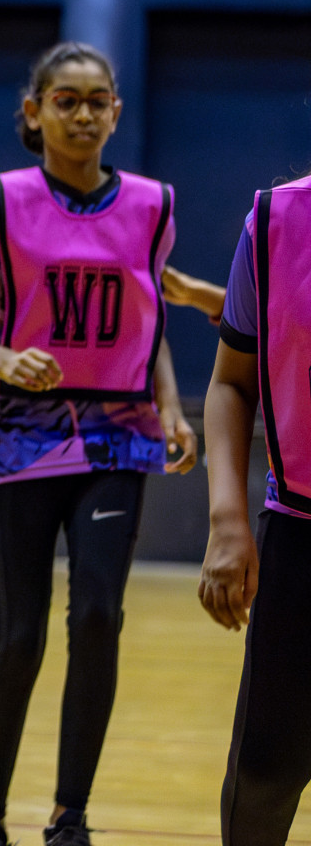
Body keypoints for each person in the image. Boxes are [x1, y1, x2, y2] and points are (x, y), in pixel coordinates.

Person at [0, 42, 219, 846]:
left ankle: (70, 816)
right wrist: (2, 359)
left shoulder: (152, 205)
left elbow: (147, 322)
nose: (83, 114)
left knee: (96, 616)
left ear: (116, 113)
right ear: (35, 111)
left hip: (120, 436)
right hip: (26, 436)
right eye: (66, 100)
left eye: (97, 102)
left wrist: (172, 409)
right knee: (18, 636)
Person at [199, 172, 311, 846]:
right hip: (299, 531)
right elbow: (230, 384)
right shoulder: (274, 221)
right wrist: (227, 521)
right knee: (265, 775)